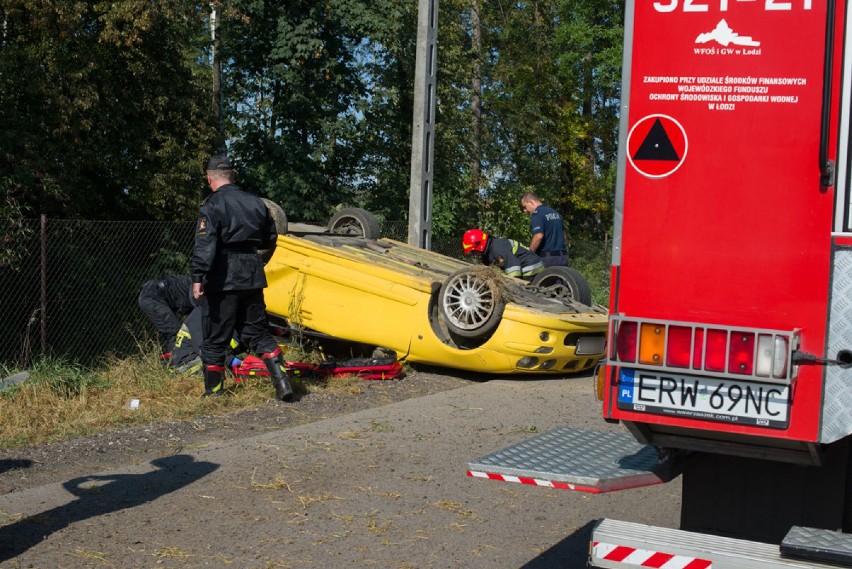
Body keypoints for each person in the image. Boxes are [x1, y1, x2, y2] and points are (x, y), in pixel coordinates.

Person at [191, 155, 294, 401]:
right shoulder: (256, 203)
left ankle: (213, 393)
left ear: (209, 179)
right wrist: (257, 260)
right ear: (233, 177)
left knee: (216, 335)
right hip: (252, 273)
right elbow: (271, 237)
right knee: (258, 332)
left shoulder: (212, 205)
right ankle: (282, 384)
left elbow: (205, 245)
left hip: (223, 276)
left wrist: (197, 277)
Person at [138, 274, 197, 362]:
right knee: (174, 332)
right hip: (152, 296)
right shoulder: (199, 290)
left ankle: (171, 360)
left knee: (177, 332)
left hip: (158, 293)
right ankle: (176, 363)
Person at [461, 228, 544, 281]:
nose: (474, 254)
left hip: (530, 267)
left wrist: (512, 287)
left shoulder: (497, 249)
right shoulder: (489, 251)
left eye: (473, 251)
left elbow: (514, 269)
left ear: (479, 245)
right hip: (528, 266)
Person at [520, 192, 569, 267]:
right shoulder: (555, 213)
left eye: (525, 207)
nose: (525, 210)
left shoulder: (537, 214)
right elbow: (564, 236)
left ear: (531, 202)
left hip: (548, 259)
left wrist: (530, 254)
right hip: (563, 257)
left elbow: (538, 236)